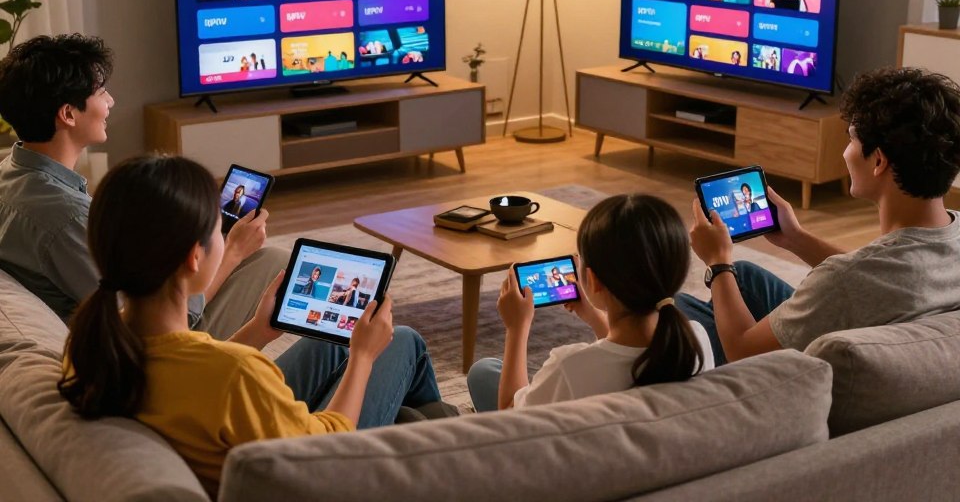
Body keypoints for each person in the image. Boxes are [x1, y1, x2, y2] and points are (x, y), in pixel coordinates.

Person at [57, 155, 445, 497]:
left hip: (226, 433)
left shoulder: (91, 344)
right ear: (195, 257)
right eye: (217, 227)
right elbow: (326, 452)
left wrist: (257, 332)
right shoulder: (235, 374)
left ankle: (418, 427)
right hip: (320, 475)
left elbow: (195, 378)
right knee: (401, 342)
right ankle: (455, 443)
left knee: (328, 344)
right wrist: (362, 357)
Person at [0, 34, 284, 337]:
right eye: (101, 92)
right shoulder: (66, 218)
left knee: (266, 257)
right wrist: (232, 252)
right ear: (68, 114)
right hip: (155, 346)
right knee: (275, 265)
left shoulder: (11, 173)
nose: (111, 102)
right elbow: (160, 321)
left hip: (135, 312)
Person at [676, 67, 960, 365]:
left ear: (878, 161)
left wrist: (718, 262)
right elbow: (875, 275)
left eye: (851, 140)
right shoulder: (948, 236)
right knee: (745, 276)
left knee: (679, 309)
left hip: (791, 382)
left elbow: (742, 350)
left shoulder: (842, 282)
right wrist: (796, 239)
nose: (845, 153)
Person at [467, 194, 713, 412]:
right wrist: (595, 316)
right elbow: (625, 354)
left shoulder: (569, 367)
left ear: (593, 280)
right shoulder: (696, 340)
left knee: (483, 373)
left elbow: (511, 417)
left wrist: (516, 329)